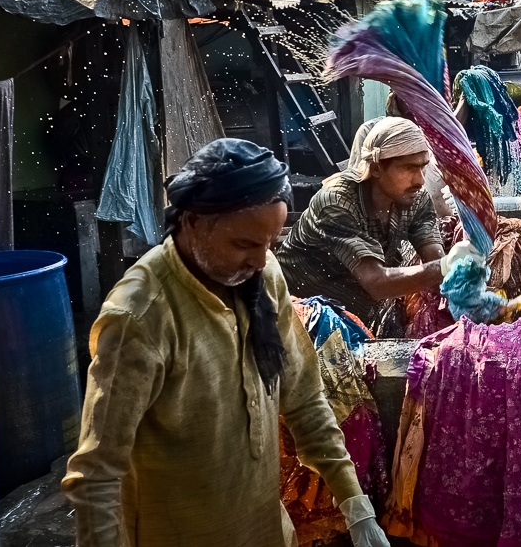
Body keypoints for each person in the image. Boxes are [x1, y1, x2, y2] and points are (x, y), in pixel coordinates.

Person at [63, 139, 389, 547]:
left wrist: (355, 505)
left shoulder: (262, 275)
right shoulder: (140, 317)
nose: (260, 258)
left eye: (270, 243)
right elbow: (97, 475)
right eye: (244, 244)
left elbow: (304, 399)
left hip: (266, 530)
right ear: (193, 222)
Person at [277, 117, 447, 331]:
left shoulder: (415, 198)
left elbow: (435, 259)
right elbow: (376, 283)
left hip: (356, 314)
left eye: (423, 167)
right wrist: (447, 266)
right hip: (300, 316)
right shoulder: (336, 202)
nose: (420, 180)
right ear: (376, 168)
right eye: (408, 168)